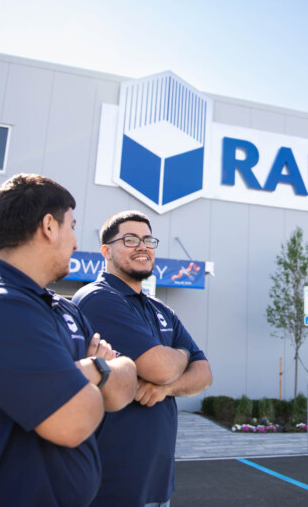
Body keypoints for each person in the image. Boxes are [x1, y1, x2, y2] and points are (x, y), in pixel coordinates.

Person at [0, 174, 138, 507]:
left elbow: (123, 388)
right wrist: (101, 371)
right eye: (72, 226)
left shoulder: (61, 308)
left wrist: (90, 370)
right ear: (48, 226)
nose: (75, 242)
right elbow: (75, 422)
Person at [73, 210, 213, 507]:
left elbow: (204, 374)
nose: (143, 246)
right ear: (105, 251)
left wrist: (166, 389)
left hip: (157, 484)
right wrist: (183, 354)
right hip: (111, 486)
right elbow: (162, 368)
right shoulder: (98, 299)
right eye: (130, 239)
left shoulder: (160, 309)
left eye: (148, 240)